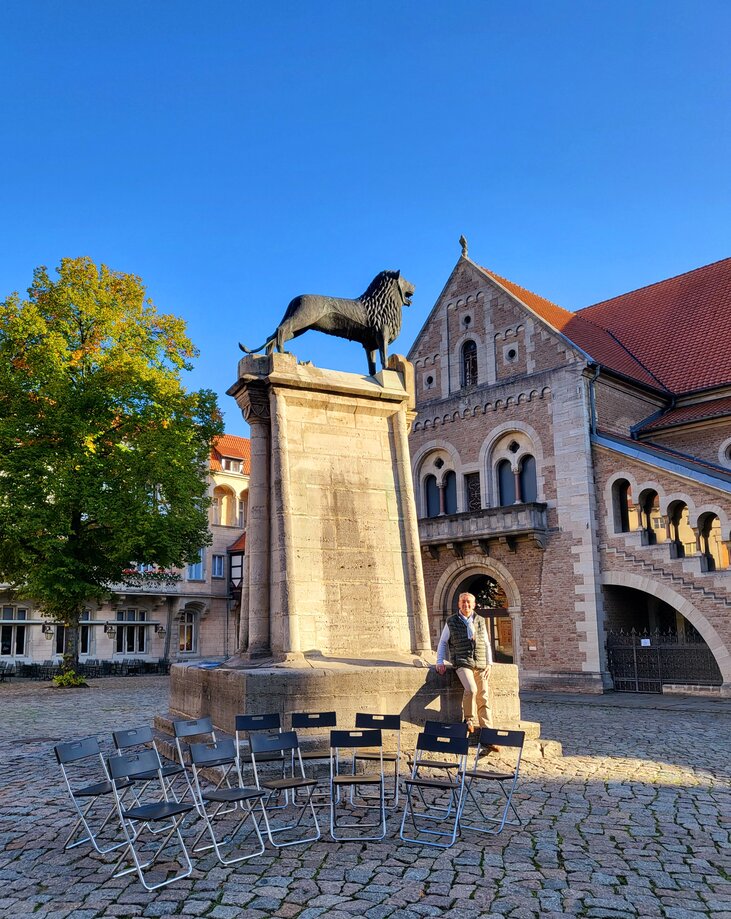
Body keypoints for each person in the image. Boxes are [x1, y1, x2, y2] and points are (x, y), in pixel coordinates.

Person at [435, 592, 493, 734]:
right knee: (471, 689)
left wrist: (489, 664)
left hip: (480, 662)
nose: (466, 605)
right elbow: (443, 642)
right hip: (462, 662)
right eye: (463, 602)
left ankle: (488, 732)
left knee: (483, 696)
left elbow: (486, 643)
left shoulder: (480, 620)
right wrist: (439, 661)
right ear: (459, 604)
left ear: (473, 605)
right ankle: (468, 719)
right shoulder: (451, 621)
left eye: (468, 602)